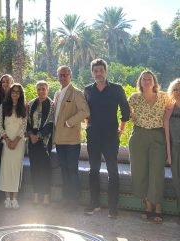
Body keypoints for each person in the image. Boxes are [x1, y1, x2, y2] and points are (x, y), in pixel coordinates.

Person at [84, 59, 130, 218]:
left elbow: (125, 110)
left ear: (105, 71)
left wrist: (121, 129)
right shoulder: (87, 90)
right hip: (93, 136)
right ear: (92, 72)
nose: (98, 73)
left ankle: (112, 207)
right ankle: (94, 203)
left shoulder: (117, 89)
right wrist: (87, 125)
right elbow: (85, 111)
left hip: (111, 136)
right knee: (93, 170)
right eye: (95, 71)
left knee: (113, 170)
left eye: (101, 70)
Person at [128, 70, 169, 223]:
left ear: (154, 81)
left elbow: (173, 109)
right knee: (141, 171)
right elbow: (125, 113)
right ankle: (147, 206)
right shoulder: (134, 98)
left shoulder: (164, 97)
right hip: (139, 136)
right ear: (140, 82)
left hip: (158, 136)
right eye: (143, 79)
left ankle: (158, 207)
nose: (146, 81)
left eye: (149, 79)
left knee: (157, 172)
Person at [54, 65, 89, 201]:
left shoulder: (76, 93)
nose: (62, 77)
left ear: (70, 76)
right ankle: (66, 199)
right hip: (59, 140)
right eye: (60, 75)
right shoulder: (57, 93)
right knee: (64, 170)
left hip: (71, 141)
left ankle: (73, 200)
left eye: (65, 75)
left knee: (72, 170)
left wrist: (69, 122)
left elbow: (85, 112)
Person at [0, 83, 27, 209]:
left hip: (19, 144)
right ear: (10, 93)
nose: (15, 93)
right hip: (6, 143)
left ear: (21, 94)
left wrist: (15, 141)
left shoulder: (24, 107)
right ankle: (7, 198)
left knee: (16, 170)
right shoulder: (4, 106)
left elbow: (24, 126)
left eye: (18, 92)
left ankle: (15, 198)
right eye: (13, 91)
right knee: (6, 170)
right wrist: (8, 140)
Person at [27, 81, 55, 205]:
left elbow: (50, 124)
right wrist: (31, 135)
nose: (41, 91)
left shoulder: (52, 105)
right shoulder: (31, 104)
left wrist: (38, 136)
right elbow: (26, 122)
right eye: (39, 89)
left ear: (47, 90)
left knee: (45, 169)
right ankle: (36, 195)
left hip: (44, 141)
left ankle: (46, 196)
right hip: (32, 141)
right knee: (35, 168)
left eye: (43, 89)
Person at [0, 74, 14, 199]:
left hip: (13, 136)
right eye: (3, 82)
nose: (5, 84)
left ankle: (10, 193)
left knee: (9, 165)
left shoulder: (16, 98)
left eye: (8, 81)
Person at [164, 78, 180, 221]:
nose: (178, 92)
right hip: (174, 149)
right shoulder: (169, 108)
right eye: (175, 89)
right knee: (177, 181)